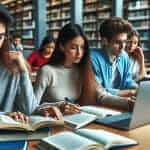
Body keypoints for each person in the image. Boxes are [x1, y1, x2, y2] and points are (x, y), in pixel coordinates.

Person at [34, 23, 135, 118]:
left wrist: (128, 103)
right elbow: (31, 107)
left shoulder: (82, 69)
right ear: (61, 47)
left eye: (82, 48)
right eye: (73, 48)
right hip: (51, 123)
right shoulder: (47, 71)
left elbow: (102, 96)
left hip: (74, 121)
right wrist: (57, 106)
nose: (79, 53)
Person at [90, 17, 138, 98]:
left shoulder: (124, 56)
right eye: (118, 42)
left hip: (118, 102)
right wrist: (131, 92)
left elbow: (128, 81)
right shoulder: (92, 58)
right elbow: (98, 90)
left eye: (125, 41)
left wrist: (139, 89)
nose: (123, 47)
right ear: (105, 41)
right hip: (99, 104)